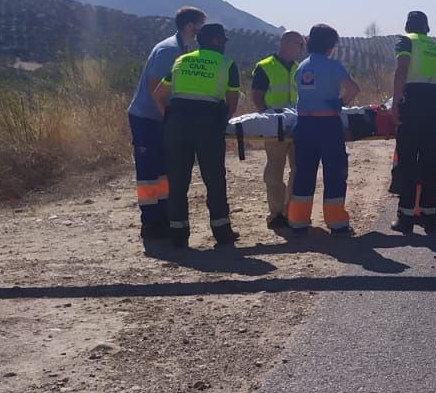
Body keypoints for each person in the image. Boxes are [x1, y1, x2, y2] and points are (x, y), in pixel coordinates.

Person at [152, 22, 240, 248]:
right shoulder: (227, 64)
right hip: (208, 125)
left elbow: (158, 95)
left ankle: (178, 236)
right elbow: (232, 104)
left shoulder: (181, 60)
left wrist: (170, 118)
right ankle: (222, 233)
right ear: (216, 41)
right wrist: (220, 123)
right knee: (214, 180)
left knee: (178, 181)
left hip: (177, 124)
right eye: (222, 41)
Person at [126, 6, 205, 242]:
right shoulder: (169, 50)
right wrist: (170, 120)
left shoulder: (184, 49)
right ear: (191, 26)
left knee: (164, 170)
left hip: (161, 117)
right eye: (200, 25)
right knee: (150, 171)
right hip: (148, 118)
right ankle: (151, 223)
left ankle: (162, 217)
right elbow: (155, 89)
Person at [285, 24, 361, 238]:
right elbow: (353, 88)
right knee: (334, 173)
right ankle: (336, 223)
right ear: (330, 45)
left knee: (304, 174)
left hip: (304, 125)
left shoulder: (301, 67)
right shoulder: (333, 66)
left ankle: (298, 221)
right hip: (327, 125)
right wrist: (340, 103)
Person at [391, 10, 436, 234]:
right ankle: (430, 216)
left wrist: (395, 104)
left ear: (407, 26)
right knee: (431, 163)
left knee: (408, 162)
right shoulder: (433, 46)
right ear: (427, 27)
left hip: (414, 104)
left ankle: (405, 218)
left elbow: (402, 70)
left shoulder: (406, 40)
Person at [251, 30, 304, 232]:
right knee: (274, 170)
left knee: (298, 169)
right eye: (300, 45)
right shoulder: (265, 67)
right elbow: (257, 96)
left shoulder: (299, 69)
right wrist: (268, 119)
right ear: (288, 43)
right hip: (275, 127)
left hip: (297, 125)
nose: (301, 49)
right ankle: (276, 214)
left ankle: (292, 210)